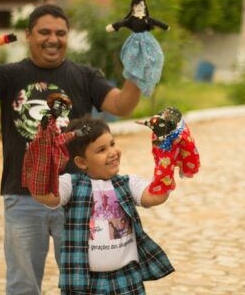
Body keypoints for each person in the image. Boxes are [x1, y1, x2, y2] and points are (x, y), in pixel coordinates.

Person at [0, 4, 142, 294]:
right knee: (22, 284)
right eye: (44, 32)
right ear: (29, 35)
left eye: (60, 33)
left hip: (78, 198)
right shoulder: (8, 75)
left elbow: (122, 105)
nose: (52, 39)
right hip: (22, 196)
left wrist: (138, 71)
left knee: (84, 283)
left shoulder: (85, 76)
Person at [29, 117, 174, 294]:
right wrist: (42, 150)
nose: (112, 152)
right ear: (82, 162)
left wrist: (166, 152)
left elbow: (156, 196)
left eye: (112, 144)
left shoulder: (128, 183)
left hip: (127, 277)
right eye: (101, 150)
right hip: (84, 282)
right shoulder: (70, 185)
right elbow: (44, 195)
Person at [106, 0, 170, 97]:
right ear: (133, 7)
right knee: (134, 57)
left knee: (156, 56)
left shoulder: (147, 19)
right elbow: (122, 23)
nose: (139, 7)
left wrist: (165, 27)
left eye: (141, 5)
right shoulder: (131, 20)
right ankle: (136, 75)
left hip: (148, 41)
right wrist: (113, 26)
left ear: (144, 6)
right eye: (136, 5)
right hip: (134, 43)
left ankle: (147, 76)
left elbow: (156, 22)